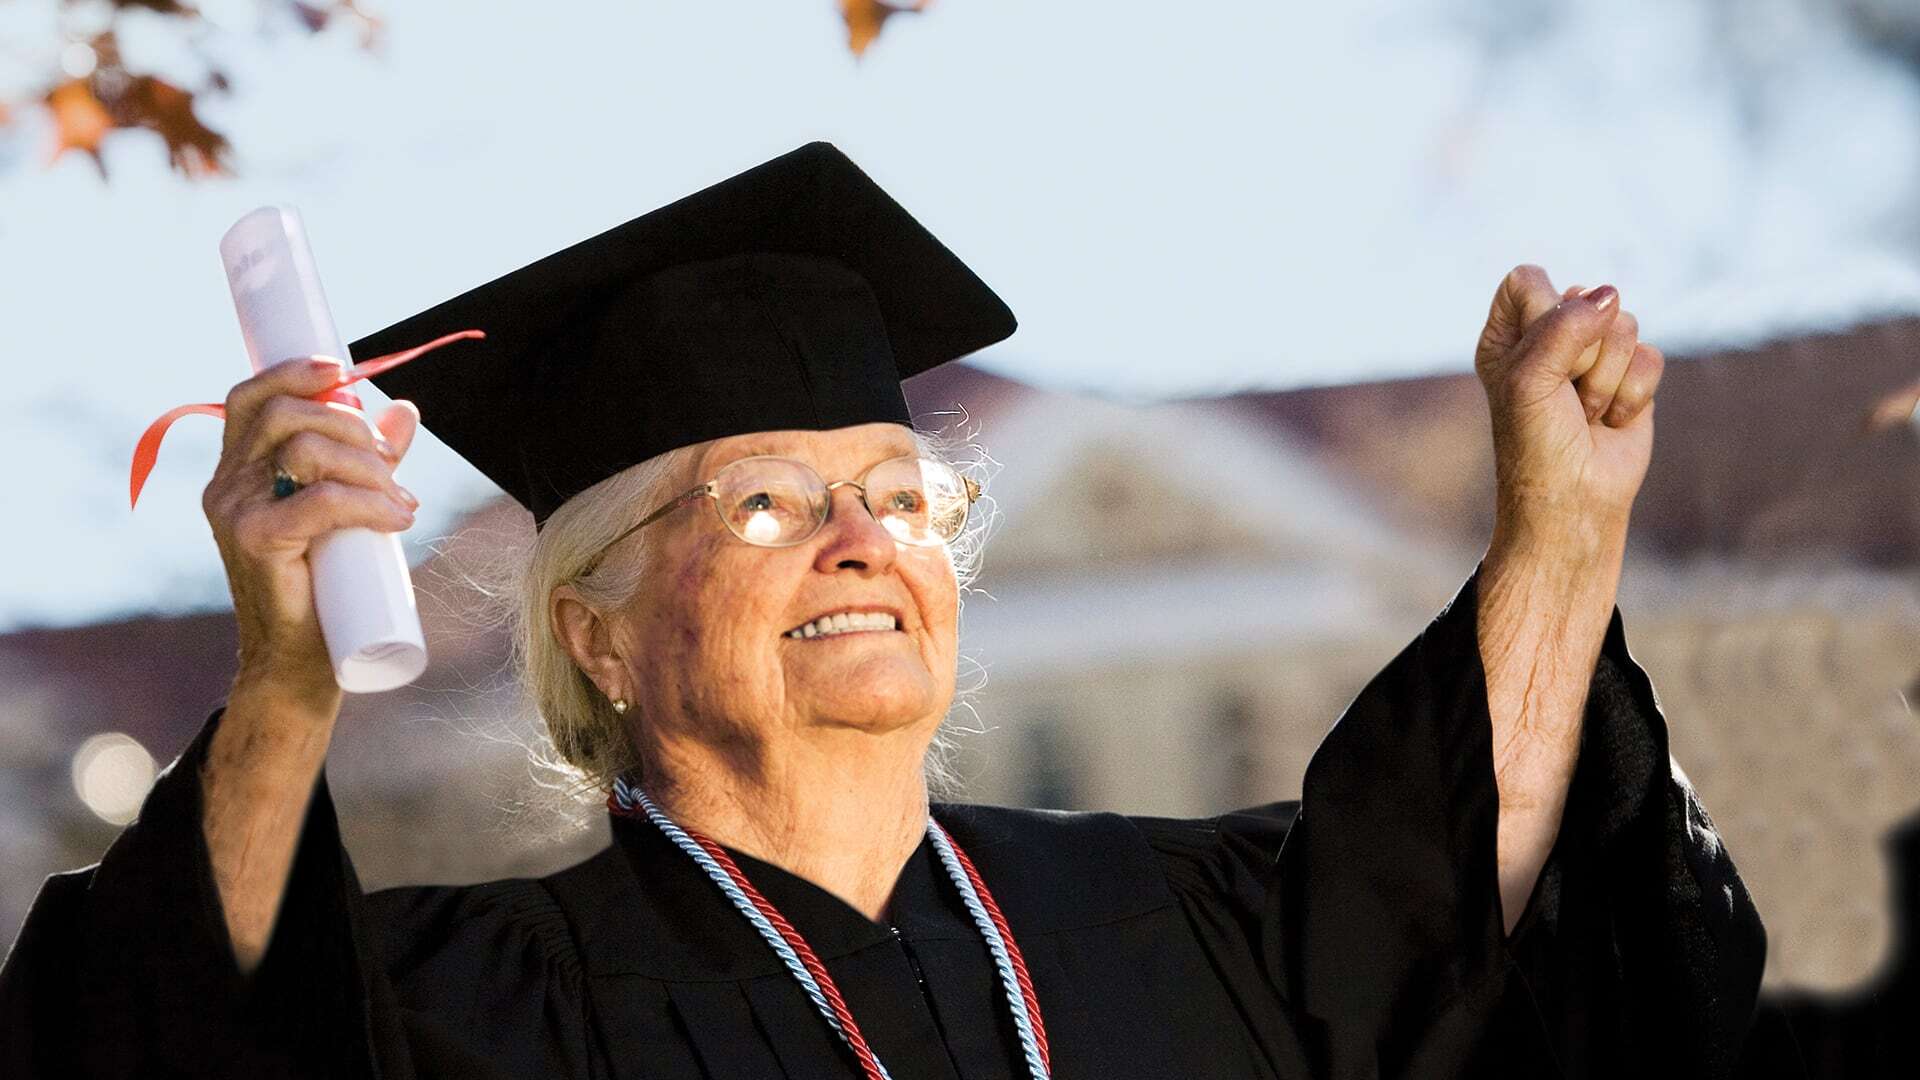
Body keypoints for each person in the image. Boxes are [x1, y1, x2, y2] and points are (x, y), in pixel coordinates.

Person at [0, 142, 1763, 1078]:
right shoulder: (470, 1008)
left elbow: (1471, 908)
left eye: (902, 496)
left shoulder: (1180, 920)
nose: (860, 536)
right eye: (764, 501)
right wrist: (293, 674)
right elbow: (177, 1028)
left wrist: (1561, 527)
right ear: (599, 631)